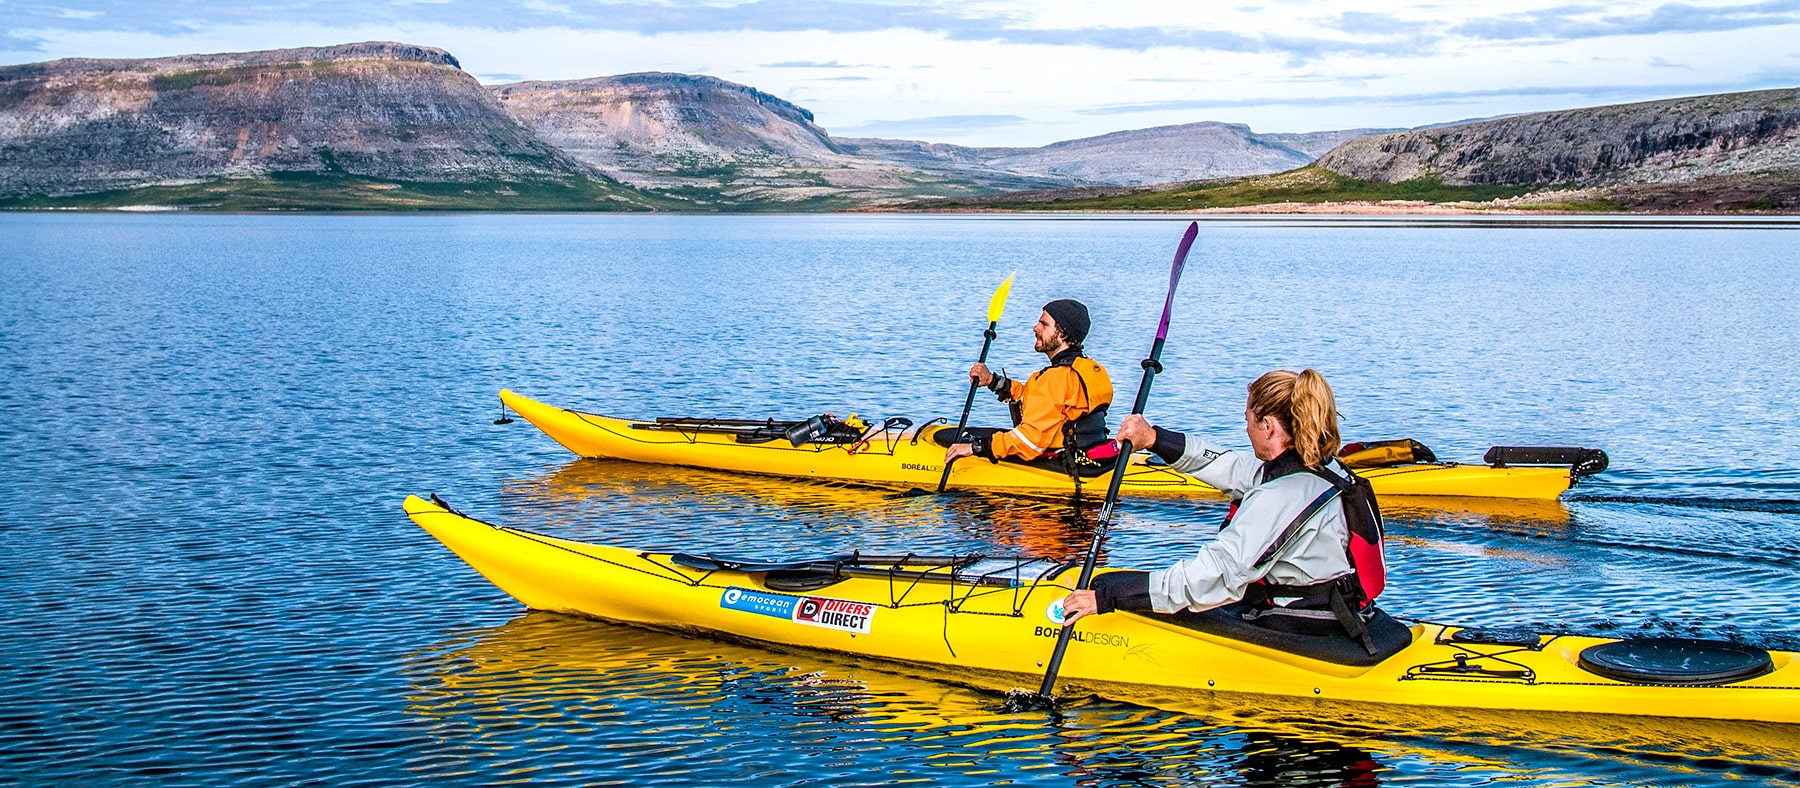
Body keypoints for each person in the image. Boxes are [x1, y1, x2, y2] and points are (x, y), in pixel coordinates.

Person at [1058, 369, 1388, 649]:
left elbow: (1213, 578)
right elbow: (1231, 467)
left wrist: (1108, 596)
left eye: (1248, 420)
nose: (1246, 429)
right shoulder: (1326, 469)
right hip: (1338, 610)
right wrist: (1155, 438)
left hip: (1305, 628)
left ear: (1268, 426)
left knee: (1134, 591)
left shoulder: (1280, 497)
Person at [943, 299, 1118, 470]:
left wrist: (976, 447)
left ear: (1062, 334)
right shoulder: (1091, 369)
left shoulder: (1055, 378)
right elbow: (1044, 404)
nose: (1036, 328)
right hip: (1091, 455)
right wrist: (993, 381)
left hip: (1065, 463)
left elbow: (1029, 441)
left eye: (1044, 324)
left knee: (974, 438)